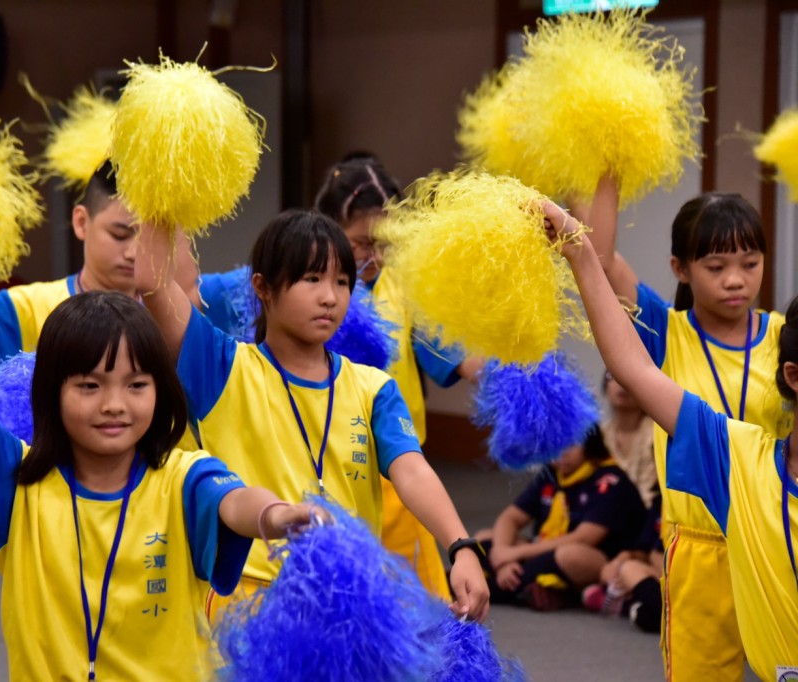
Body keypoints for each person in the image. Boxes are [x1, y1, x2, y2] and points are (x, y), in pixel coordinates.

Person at [0, 290, 315, 680]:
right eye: (89, 386)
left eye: (136, 385)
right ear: (51, 392)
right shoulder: (18, 482)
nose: (114, 403)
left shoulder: (182, 477)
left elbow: (235, 502)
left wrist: (274, 514)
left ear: (160, 390)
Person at [136, 209, 490, 623]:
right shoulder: (221, 366)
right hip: (251, 608)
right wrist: (160, 189)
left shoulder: (372, 387)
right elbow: (152, 280)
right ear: (263, 288)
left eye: (342, 281)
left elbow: (411, 470)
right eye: (312, 279)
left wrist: (460, 545)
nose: (330, 296)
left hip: (349, 606)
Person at [547, 201, 797, 682]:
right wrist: (610, 170)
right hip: (702, 544)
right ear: (680, 269)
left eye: (750, 263)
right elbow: (599, 261)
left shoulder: (784, 338)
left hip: (775, 535)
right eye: (716, 266)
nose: (735, 280)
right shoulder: (665, 330)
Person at [312, 157, 483, 599]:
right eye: (363, 243)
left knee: (420, 625)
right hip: (323, 485)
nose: (376, 256)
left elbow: (460, 359)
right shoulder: (307, 300)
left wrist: (516, 366)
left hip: (400, 482)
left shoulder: (404, 288)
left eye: (386, 244)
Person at [0, 162, 198, 383]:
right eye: (119, 235)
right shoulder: (25, 309)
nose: (134, 252)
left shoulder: (178, 308)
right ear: (81, 222)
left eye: (147, 239)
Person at [480, 425, 646, 611]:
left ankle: (496, 589)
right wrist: (503, 556)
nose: (561, 454)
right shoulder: (551, 473)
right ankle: (541, 588)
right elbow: (510, 518)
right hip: (544, 549)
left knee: (569, 555)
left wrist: (516, 553)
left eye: (570, 445)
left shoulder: (610, 479)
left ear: (589, 443)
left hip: (598, 560)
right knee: (483, 537)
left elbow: (584, 537)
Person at [583, 493, 663, 634]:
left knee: (630, 570)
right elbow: (645, 550)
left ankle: (633, 606)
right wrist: (624, 557)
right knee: (623, 568)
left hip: (685, 577)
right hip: (660, 576)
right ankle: (641, 605)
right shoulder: (660, 502)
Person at [600, 370, 657, 508]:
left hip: (652, 517)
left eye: (631, 377)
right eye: (612, 376)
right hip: (605, 518)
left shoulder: (659, 433)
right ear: (605, 387)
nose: (621, 383)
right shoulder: (598, 436)